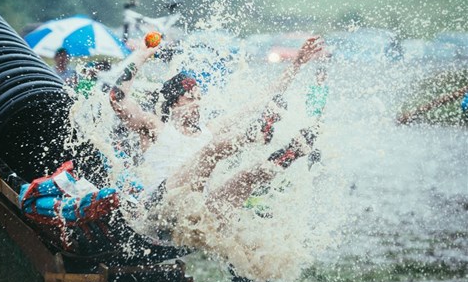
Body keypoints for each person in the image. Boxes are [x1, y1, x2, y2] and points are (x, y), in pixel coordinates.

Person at [106, 36, 324, 231]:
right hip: (160, 206)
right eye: (191, 99)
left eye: (200, 99)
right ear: (173, 103)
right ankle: (254, 134)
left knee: (247, 178)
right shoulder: (155, 127)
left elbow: (263, 99)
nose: (197, 105)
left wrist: (297, 64)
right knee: (212, 150)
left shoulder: (208, 129)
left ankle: (282, 157)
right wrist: (141, 55)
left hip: (196, 210)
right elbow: (117, 99)